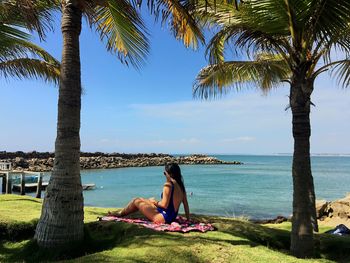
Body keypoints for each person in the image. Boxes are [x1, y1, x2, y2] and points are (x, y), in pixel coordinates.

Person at [108, 163, 190, 224]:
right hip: (170, 217)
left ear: (170, 174)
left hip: (162, 218)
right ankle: (120, 213)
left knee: (136, 201)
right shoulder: (180, 185)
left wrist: (155, 202)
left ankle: (119, 214)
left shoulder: (168, 185)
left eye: (165, 173)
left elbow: (164, 205)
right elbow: (185, 204)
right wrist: (188, 219)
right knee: (141, 199)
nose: (164, 175)